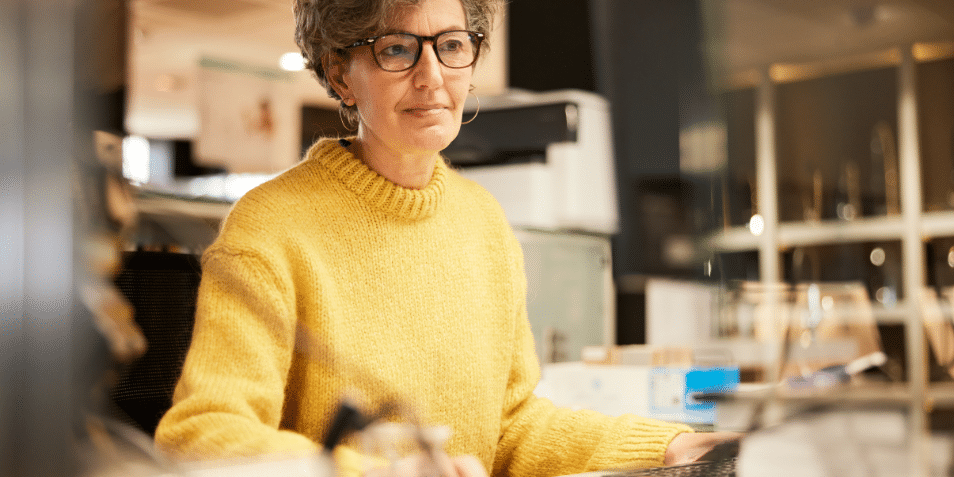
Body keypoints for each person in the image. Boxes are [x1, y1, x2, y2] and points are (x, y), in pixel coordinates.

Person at [153, 0, 738, 475]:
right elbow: (202, 436)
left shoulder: (482, 220)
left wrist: (667, 449)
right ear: (339, 74)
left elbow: (511, 426)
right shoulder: (270, 227)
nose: (432, 78)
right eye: (397, 49)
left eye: (453, 46)